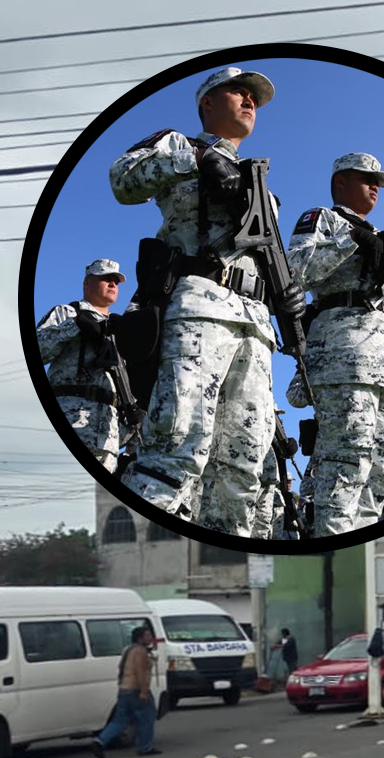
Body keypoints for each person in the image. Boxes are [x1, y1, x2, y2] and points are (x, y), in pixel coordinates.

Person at [110, 67, 294, 535]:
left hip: (255, 325)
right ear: (207, 103)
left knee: (244, 464)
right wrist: (196, 159)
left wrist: (289, 298)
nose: (250, 101)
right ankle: (148, 546)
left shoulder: (262, 187)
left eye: (255, 96)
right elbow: (122, 181)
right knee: (177, 446)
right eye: (239, 91)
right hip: (199, 309)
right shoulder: (180, 146)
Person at [287, 152, 384, 535]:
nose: (375, 186)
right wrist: (349, 239)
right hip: (345, 353)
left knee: (381, 468)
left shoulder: (381, 238)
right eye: (366, 178)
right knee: (348, 458)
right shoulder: (323, 219)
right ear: (341, 181)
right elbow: (296, 270)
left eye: (378, 181)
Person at [36, 258, 127, 470]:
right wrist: (74, 326)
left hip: (108, 435)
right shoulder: (67, 313)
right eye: (105, 278)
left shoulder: (120, 328)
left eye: (116, 281)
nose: (112, 284)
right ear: (87, 283)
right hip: (72, 420)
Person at [92, 626, 161, 758]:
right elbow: (140, 672)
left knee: (120, 720)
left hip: (124, 689)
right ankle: (145, 747)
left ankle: (100, 741)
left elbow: (122, 668)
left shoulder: (128, 649)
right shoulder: (140, 652)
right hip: (136, 689)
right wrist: (144, 691)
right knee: (147, 717)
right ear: (140, 638)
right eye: (147, 635)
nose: (150, 638)